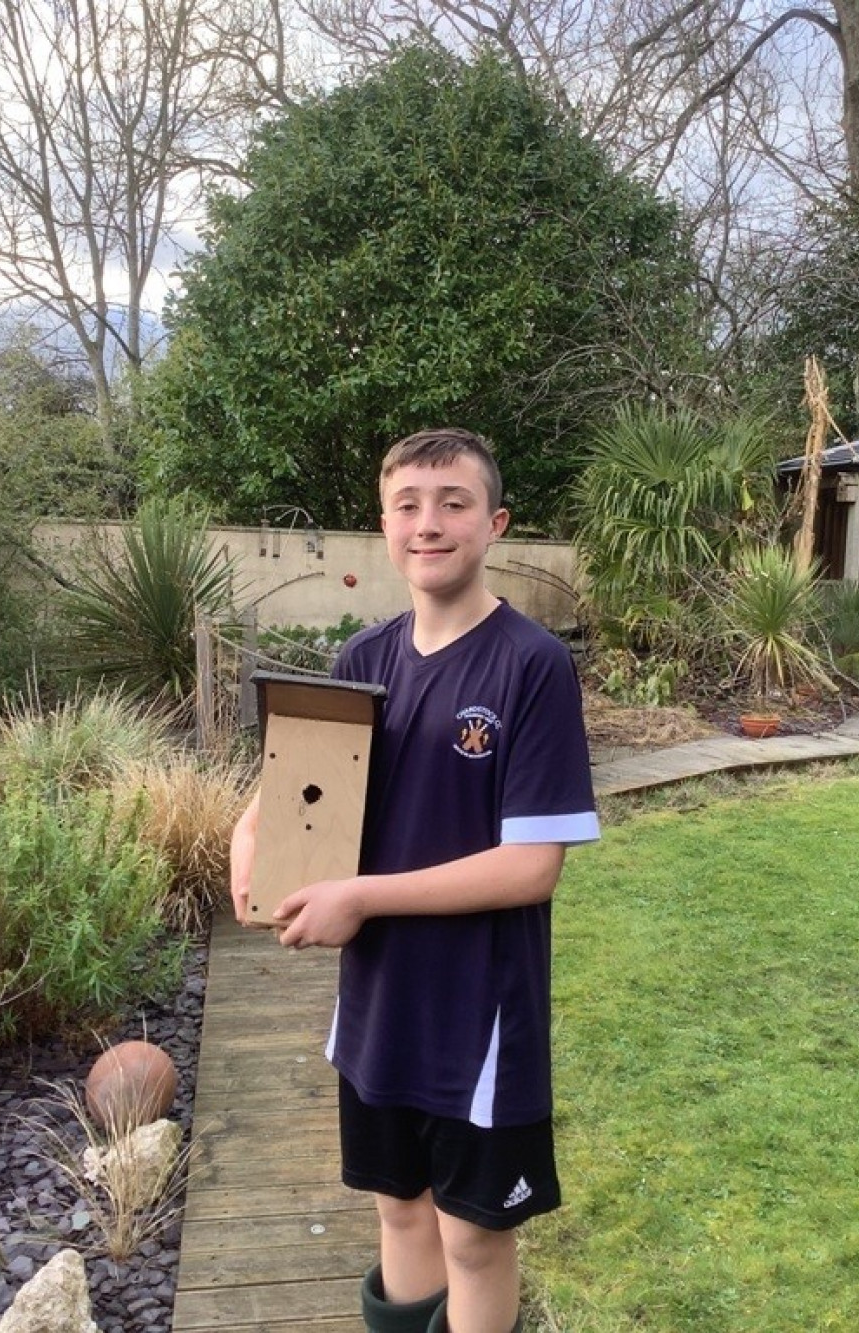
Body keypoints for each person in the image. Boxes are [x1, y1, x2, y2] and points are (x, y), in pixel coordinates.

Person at [230, 427, 600, 1333]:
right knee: (398, 1207)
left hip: (479, 1013)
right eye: (408, 505)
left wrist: (361, 897)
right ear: (384, 525)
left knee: (472, 1235)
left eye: (453, 503)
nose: (428, 523)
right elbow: (291, 792)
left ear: (495, 522)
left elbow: (532, 866)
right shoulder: (363, 658)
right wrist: (252, 841)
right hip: (377, 1003)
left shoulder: (530, 665)